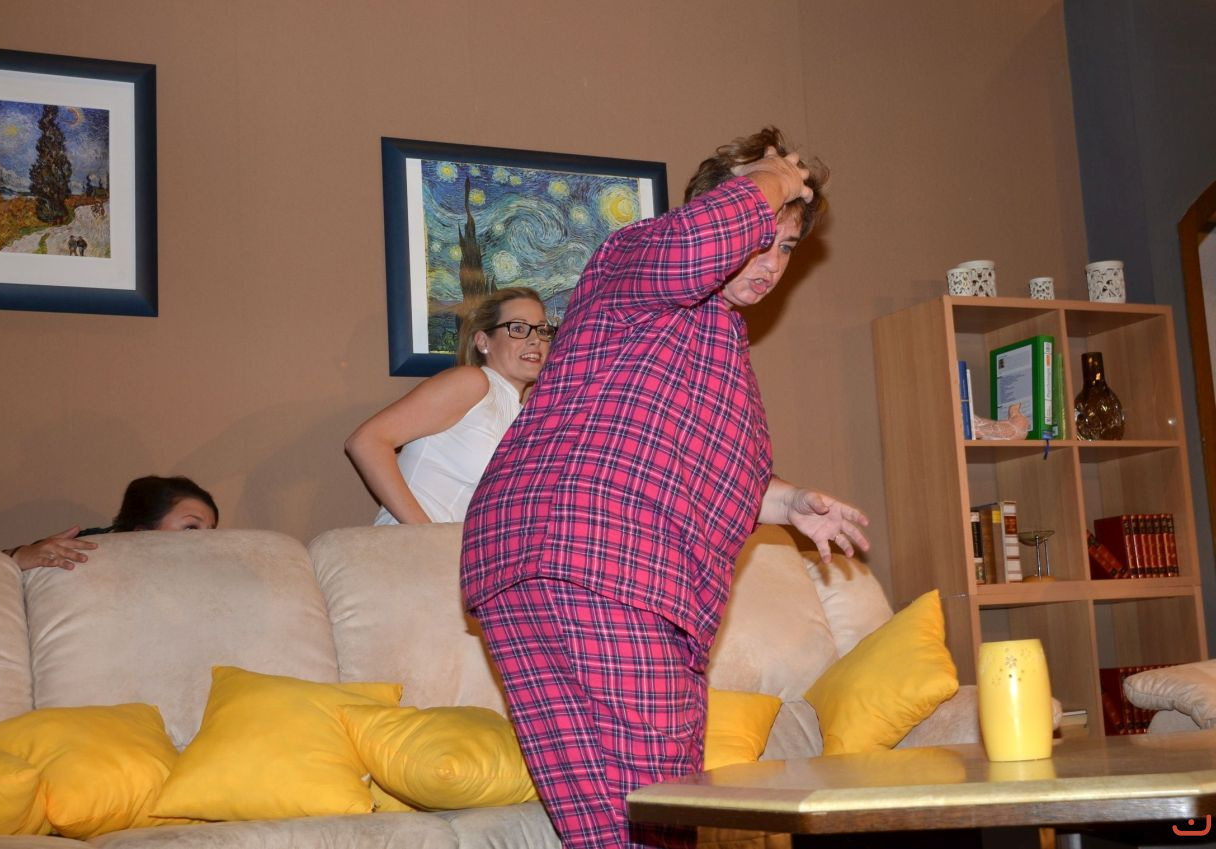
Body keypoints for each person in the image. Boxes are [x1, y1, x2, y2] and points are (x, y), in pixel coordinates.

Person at [460, 127, 870, 849]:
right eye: (759, 234)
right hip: (599, 556)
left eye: (784, 247)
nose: (770, 262)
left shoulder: (714, 349)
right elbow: (694, 246)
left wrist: (789, 502)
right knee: (663, 807)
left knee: (608, 821)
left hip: (532, 564)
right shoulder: (639, 263)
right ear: (716, 212)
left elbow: (714, 475)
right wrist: (779, 176)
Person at [346, 286, 553, 524]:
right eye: (518, 328)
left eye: (542, 330)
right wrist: (425, 533)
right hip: (409, 544)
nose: (535, 340)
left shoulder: (525, 417)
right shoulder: (472, 382)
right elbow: (367, 441)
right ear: (483, 341)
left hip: (457, 547)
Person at [4, 475, 219, 571]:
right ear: (142, 532)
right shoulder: (88, 548)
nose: (206, 540)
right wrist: (18, 556)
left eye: (211, 531)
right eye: (191, 528)